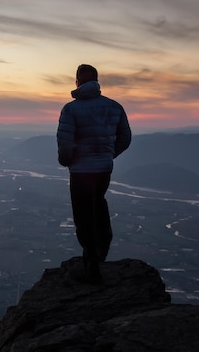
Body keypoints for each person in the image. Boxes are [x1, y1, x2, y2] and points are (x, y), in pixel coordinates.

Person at [56, 64, 131, 283]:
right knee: (98, 204)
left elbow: (65, 143)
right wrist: (107, 155)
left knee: (83, 214)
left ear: (78, 81)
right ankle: (101, 249)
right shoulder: (114, 107)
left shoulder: (70, 109)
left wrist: (67, 161)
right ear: (96, 81)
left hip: (81, 172)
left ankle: (91, 264)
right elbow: (125, 139)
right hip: (103, 169)